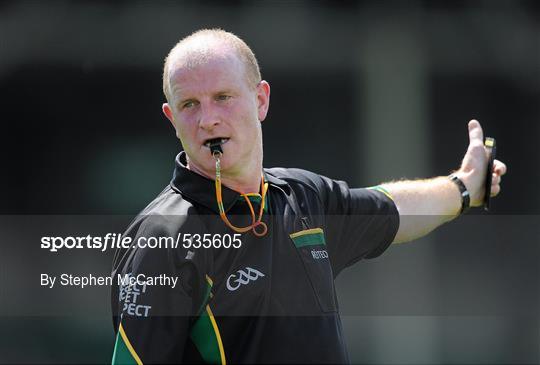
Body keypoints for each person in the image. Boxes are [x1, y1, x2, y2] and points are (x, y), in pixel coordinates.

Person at [110, 28, 507, 364]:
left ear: (261, 99)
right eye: (189, 105)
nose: (207, 118)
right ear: (171, 118)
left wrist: (463, 188)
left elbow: (393, 206)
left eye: (223, 97)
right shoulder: (163, 237)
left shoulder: (303, 198)